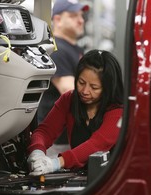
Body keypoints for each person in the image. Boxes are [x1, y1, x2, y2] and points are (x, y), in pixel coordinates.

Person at [27, 49, 124, 176]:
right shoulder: (69, 100)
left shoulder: (118, 110)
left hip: (113, 179)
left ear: (108, 88)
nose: (85, 91)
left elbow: (96, 145)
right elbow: (45, 131)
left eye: (94, 87)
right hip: (80, 177)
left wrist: (56, 163)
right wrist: (37, 151)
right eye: (81, 82)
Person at [36, 0, 89, 144]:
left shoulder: (74, 48)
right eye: (73, 16)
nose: (80, 20)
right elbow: (71, 92)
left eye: (81, 16)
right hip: (58, 140)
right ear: (58, 20)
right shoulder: (56, 49)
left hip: (71, 136)